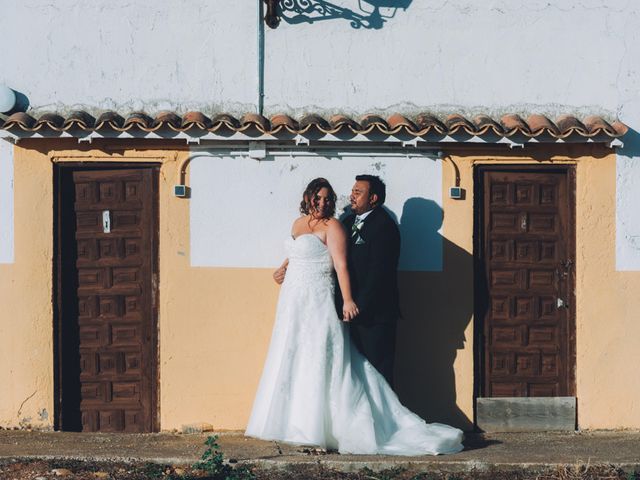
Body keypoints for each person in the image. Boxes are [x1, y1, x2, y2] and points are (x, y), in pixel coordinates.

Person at [245, 177, 463, 455]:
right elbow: (299, 253)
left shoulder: (367, 226)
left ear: (373, 198)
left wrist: (349, 301)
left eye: (329, 198)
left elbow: (347, 266)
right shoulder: (323, 223)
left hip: (350, 306)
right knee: (295, 355)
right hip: (295, 300)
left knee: (347, 364)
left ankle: (375, 426)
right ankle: (295, 422)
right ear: (308, 197)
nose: (325, 202)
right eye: (318, 197)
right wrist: (282, 269)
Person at [339, 174, 400, 385]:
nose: (352, 196)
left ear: (373, 198)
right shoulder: (347, 222)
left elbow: (379, 273)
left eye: (358, 192)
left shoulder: (384, 226)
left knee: (378, 372)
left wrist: (358, 307)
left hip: (374, 315)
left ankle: (384, 418)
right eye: (352, 191)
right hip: (350, 313)